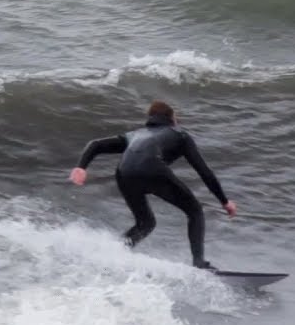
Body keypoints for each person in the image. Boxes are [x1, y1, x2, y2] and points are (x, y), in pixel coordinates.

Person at [69, 100, 237, 269]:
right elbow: (204, 171)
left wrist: (81, 167)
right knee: (195, 211)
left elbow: (95, 144)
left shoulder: (134, 135)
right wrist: (224, 201)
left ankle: (113, 256)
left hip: (124, 173)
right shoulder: (180, 134)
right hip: (153, 168)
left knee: (146, 223)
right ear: (172, 118)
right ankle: (199, 263)